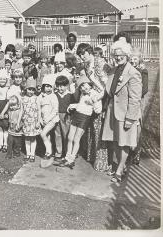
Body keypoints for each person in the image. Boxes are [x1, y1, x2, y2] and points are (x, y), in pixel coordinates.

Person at [102, 40, 142, 183]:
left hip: (125, 113)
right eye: (116, 55)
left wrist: (130, 118)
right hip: (112, 111)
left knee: (123, 142)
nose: (118, 57)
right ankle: (122, 165)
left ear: (127, 55)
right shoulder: (114, 70)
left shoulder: (133, 73)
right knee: (115, 141)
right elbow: (109, 91)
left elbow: (135, 99)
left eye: (121, 55)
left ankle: (119, 170)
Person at [76, 43, 109, 172]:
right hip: (92, 98)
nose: (81, 57)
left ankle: (102, 161)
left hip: (102, 99)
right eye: (79, 55)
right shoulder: (86, 65)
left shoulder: (99, 63)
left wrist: (97, 98)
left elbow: (107, 86)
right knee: (92, 129)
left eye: (83, 54)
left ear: (89, 52)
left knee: (100, 130)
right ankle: (92, 156)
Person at [59, 75, 102, 169]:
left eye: (84, 85)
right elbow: (81, 105)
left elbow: (98, 110)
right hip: (77, 115)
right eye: (81, 86)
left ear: (89, 84)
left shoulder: (95, 94)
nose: (83, 88)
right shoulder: (82, 93)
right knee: (70, 137)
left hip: (84, 118)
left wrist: (93, 102)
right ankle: (67, 157)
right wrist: (73, 105)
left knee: (76, 139)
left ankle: (71, 159)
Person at [37, 74, 59, 167]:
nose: (48, 89)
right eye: (46, 86)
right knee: (47, 135)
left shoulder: (53, 96)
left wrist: (47, 119)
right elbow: (38, 109)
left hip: (52, 119)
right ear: (43, 87)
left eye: (50, 87)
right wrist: (40, 119)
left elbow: (55, 110)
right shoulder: (40, 97)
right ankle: (48, 151)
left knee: (43, 134)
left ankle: (49, 152)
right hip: (44, 119)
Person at [53, 75, 74, 161]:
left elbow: (73, 106)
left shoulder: (70, 95)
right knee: (57, 134)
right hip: (57, 115)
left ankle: (67, 152)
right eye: (58, 86)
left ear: (66, 86)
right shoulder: (55, 95)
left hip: (66, 117)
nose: (60, 88)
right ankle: (59, 152)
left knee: (66, 134)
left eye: (62, 86)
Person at [21, 77, 41, 162]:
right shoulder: (23, 98)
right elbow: (22, 110)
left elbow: (39, 110)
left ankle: (32, 154)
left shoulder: (36, 98)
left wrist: (38, 121)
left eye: (33, 90)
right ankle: (28, 154)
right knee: (27, 138)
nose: (31, 92)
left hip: (34, 121)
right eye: (29, 89)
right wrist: (19, 121)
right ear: (26, 89)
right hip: (26, 121)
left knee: (33, 138)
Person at [3, 94, 23, 159]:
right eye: (11, 105)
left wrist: (19, 125)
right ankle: (9, 154)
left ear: (18, 104)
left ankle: (16, 152)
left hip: (17, 130)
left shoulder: (19, 111)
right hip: (10, 130)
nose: (12, 107)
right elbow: (8, 117)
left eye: (14, 105)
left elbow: (22, 120)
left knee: (17, 142)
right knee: (10, 142)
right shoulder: (10, 111)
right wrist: (6, 116)